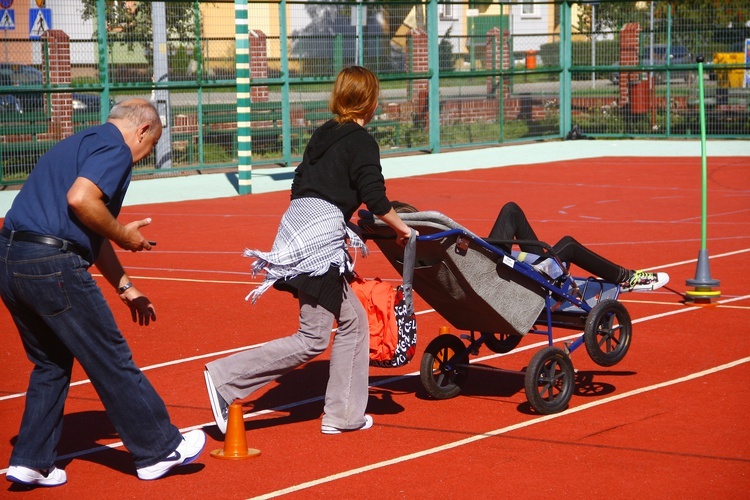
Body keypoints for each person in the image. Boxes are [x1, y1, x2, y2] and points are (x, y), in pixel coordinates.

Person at [0, 98, 206, 487]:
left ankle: (32, 459)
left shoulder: (77, 142)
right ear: (142, 130)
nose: (143, 157)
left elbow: (91, 225)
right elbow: (81, 201)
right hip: (50, 264)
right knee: (108, 356)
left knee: (51, 362)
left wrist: (125, 287)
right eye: (148, 148)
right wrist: (124, 233)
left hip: (11, 259)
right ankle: (159, 449)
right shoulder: (115, 147)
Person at [203, 66, 412, 435]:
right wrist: (402, 229)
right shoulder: (361, 140)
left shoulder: (324, 133)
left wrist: (332, 218)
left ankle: (343, 414)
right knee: (314, 336)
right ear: (371, 102)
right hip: (318, 238)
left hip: (298, 225)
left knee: (353, 322)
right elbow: (376, 197)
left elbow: (302, 181)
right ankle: (226, 379)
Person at [391, 201, 668, 292]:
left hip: (481, 269)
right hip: (499, 277)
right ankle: (626, 278)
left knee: (511, 211)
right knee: (568, 245)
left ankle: (623, 276)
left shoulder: (416, 250)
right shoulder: (434, 236)